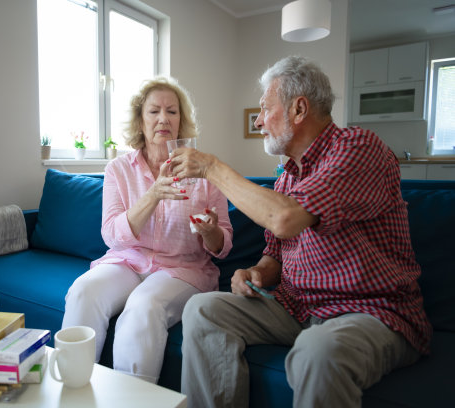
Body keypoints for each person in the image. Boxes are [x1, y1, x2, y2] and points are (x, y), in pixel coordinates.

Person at [170, 56, 432, 407]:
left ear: (299, 108)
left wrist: (211, 167)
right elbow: (277, 249)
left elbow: (285, 219)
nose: (259, 120)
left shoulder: (358, 148)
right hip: (298, 307)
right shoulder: (287, 175)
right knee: (202, 310)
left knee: (318, 349)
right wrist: (258, 272)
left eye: (265, 108)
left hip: (370, 311)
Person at [61, 76, 233, 384]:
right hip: (128, 261)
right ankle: (72, 391)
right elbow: (111, 235)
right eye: (154, 111)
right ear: (141, 121)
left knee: (143, 306)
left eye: (172, 111)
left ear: (182, 121)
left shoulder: (205, 170)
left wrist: (209, 232)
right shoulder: (118, 169)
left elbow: (224, 244)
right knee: (83, 291)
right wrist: (153, 193)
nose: (163, 118)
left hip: (183, 268)